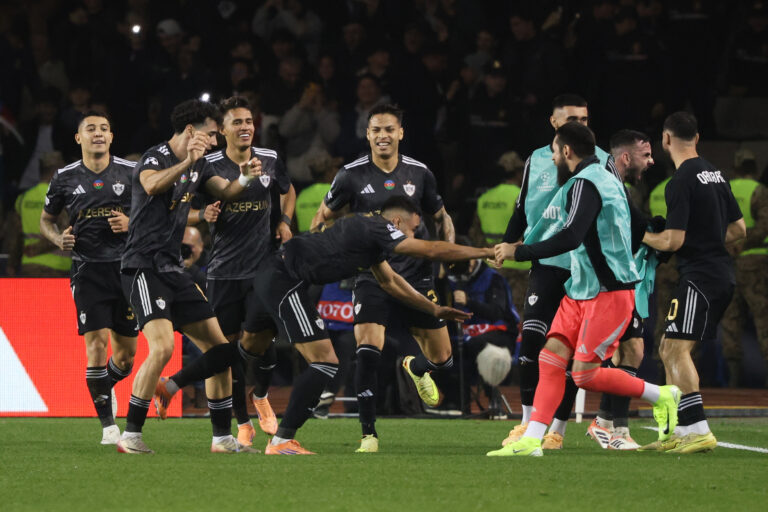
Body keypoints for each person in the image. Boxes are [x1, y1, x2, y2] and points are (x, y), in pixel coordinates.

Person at [155, 196, 492, 454]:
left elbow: (391, 283)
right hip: (284, 279)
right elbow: (430, 249)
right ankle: (282, 441)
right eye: (412, 228)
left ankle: (170, 385)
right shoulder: (377, 227)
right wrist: (485, 252)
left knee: (244, 351)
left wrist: (433, 308)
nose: (413, 234)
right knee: (326, 362)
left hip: (271, 274)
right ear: (397, 221)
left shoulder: (368, 238)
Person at [488, 122, 681, 457]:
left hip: (608, 294)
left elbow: (570, 237)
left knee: (583, 375)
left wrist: (519, 251)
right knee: (550, 359)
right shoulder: (603, 178)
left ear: (566, 151)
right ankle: (532, 441)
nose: (552, 158)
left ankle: (662, 395)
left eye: (554, 151)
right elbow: (631, 225)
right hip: (582, 289)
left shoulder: (587, 182)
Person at [117, 98, 263, 454]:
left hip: (173, 269)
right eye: (211, 134)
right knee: (163, 347)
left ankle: (221, 438)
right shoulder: (156, 157)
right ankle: (130, 435)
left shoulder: (201, 165)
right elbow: (151, 186)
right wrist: (186, 162)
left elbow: (226, 191)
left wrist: (245, 175)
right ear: (189, 131)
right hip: (143, 267)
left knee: (221, 350)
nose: (214, 141)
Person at [312, 103, 457, 453]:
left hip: (416, 277)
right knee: (367, 351)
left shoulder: (420, 173)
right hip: (372, 275)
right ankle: (368, 435)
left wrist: (447, 256)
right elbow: (321, 219)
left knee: (443, 358)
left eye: (389, 129)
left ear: (400, 133)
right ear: (367, 134)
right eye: (376, 130)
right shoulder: (350, 175)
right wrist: (332, 252)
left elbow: (442, 217)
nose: (383, 136)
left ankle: (416, 367)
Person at [180, 96, 296, 447]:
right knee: (228, 352)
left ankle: (260, 395)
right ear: (223, 129)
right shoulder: (209, 165)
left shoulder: (270, 158)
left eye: (248, 121)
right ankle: (242, 423)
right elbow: (179, 208)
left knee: (266, 345)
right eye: (237, 122)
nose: (245, 127)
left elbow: (288, 190)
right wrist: (202, 215)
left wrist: (285, 221)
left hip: (263, 269)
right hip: (223, 273)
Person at [499, 94, 614, 449]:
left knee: (570, 352)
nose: (580, 125)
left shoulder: (602, 162)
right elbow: (522, 209)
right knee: (532, 339)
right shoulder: (537, 160)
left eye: (584, 119)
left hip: (584, 270)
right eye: (571, 120)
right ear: (554, 122)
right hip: (546, 264)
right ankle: (525, 422)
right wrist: (506, 246)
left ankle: (557, 430)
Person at [641, 112, 746, 453]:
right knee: (668, 347)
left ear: (665, 140)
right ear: (697, 138)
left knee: (676, 349)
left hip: (700, 276)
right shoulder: (715, 174)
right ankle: (679, 431)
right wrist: (707, 239)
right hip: (719, 274)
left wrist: (640, 236)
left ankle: (698, 429)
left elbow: (672, 241)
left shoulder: (680, 180)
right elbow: (739, 230)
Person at [39, 113, 137, 444]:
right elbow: (46, 220)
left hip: (126, 269)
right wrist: (58, 239)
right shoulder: (64, 177)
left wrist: (131, 224)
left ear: (111, 137)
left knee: (125, 358)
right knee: (95, 346)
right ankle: (109, 427)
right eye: (91, 129)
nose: (98, 133)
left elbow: (155, 215)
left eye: (104, 129)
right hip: (87, 270)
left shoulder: (132, 172)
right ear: (78, 138)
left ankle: (105, 385)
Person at [588, 129, 657, 450]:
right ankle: (616, 430)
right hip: (606, 284)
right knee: (587, 363)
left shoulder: (615, 185)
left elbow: (633, 225)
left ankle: (605, 423)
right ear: (626, 157)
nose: (651, 161)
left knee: (627, 351)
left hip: (615, 281)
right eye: (646, 155)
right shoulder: (605, 184)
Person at [720, 149, 768, 387]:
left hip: (727, 262)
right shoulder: (759, 190)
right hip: (755, 262)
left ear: (736, 168)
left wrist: (730, 245)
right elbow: (765, 225)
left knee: (730, 318)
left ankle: (733, 378)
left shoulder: (725, 190)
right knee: (763, 316)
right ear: (755, 168)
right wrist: (745, 243)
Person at [470, 150, 530, 317]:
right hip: (520, 266)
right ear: (518, 173)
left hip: (493, 265)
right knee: (519, 314)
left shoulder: (484, 198)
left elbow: (475, 235)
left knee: (496, 313)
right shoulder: (521, 197)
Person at [11, 151, 71, 277]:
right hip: (57, 270)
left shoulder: (24, 198)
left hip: (29, 267)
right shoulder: (61, 198)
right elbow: (64, 232)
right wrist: (37, 249)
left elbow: (15, 235)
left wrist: (12, 264)